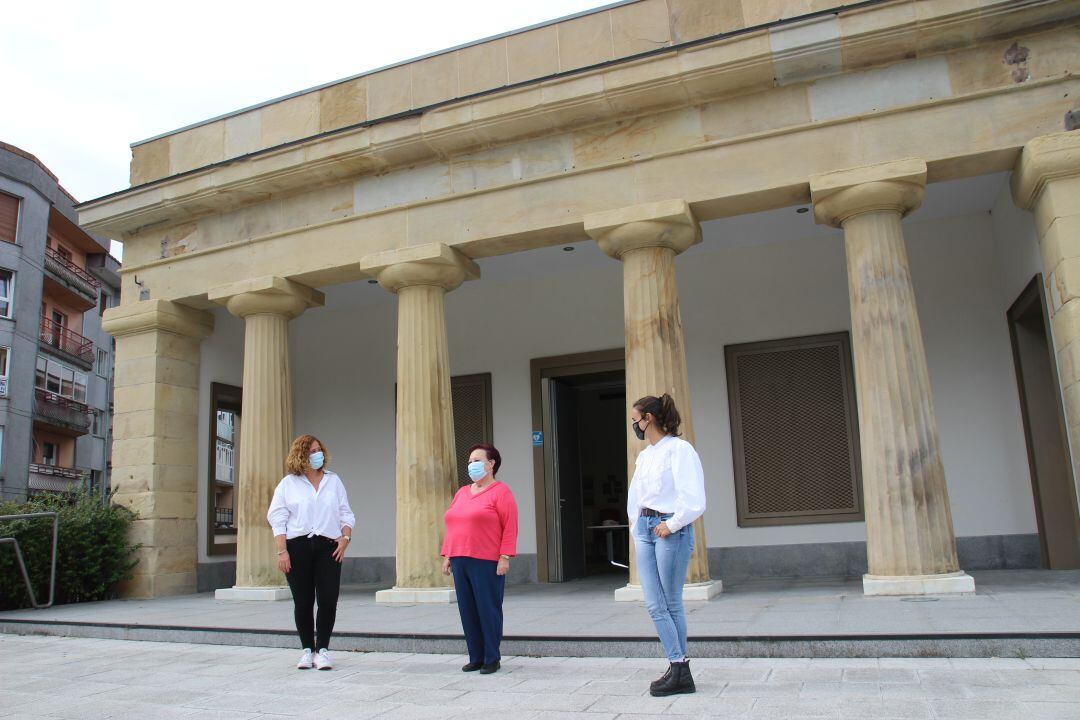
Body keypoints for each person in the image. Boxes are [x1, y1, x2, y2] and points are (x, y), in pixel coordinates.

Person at [627, 393, 706, 697]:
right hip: (646, 528)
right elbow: (636, 497)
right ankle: (678, 667)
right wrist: (637, 529)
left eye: (636, 420)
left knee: (670, 602)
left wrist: (671, 524)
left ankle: (679, 668)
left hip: (669, 529)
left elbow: (694, 497)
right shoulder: (645, 455)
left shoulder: (680, 450)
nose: (634, 425)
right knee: (654, 603)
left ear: (649, 418)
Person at [268, 434, 355, 671]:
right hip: (298, 547)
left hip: (329, 546)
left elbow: (346, 513)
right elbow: (277, 517)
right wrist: (281, 551)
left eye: (319, 450)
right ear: (301, 455)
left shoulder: (333, 481)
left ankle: (323, 649)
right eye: (312, 451)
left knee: (328, 599)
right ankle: (307, 649)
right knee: (303, 601)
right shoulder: (288, 484)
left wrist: (345, 538)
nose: (318, 454)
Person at [441, 443, 518, 675]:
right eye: (469, 462)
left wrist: (505, 557)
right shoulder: (462, 492)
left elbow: (510, 527)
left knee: (488, 608)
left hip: (486, 560)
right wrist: (447, 554)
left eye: (476, 460)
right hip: (459, 558)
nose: (471, 465)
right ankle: (475, 656)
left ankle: (492, 657)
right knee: (467, 609)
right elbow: (451, 524)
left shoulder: (501, 492)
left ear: (491, 463)